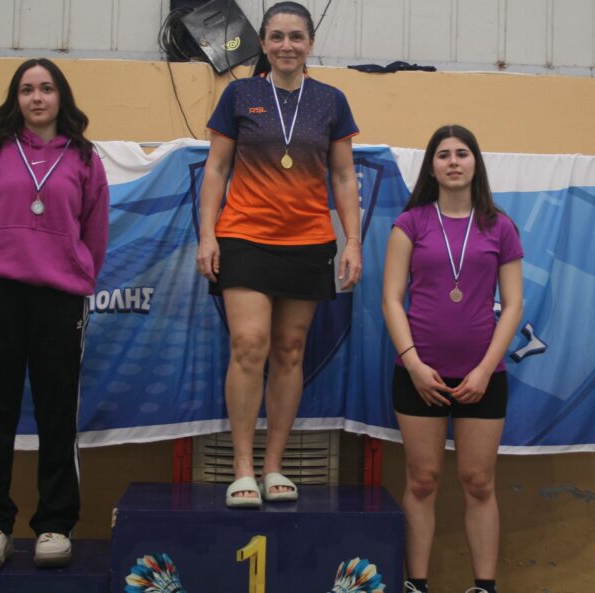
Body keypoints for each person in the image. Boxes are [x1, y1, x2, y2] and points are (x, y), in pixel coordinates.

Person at [195, 1, 362, 508]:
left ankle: (273, 465)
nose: (286, 46)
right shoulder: (239, 94)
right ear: (264, 44)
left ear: (310, 43)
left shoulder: (331, 101)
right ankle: (243, 468)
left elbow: (343, 176)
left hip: (308, 241)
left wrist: (353, 240)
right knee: (249, 344)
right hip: (244, 236)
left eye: (296, 37)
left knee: (290, 350)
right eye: (277, 37)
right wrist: (207, 236)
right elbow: (216, 169)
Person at [0, 57, 108, 568]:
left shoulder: (84, 158)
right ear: (15, 99)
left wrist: (77, 272)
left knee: (57, 412)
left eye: (46, 88)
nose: (37, 97)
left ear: (61, 97)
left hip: (60, 297)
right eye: (27, 89)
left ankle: (55, 525)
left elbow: (95, 232)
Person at [382, 125, 523, 593]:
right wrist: (414, 364)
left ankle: (484, 586)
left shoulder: (500, 226)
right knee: (422, 480)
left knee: (478, 481)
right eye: (443, 155)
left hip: (483, 377)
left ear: (475, 163)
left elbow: (513, 305)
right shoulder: (410, 223)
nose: (454, 162)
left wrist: (484, 371)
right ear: (432, 167)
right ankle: (416, 584)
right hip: (418, 375)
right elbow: (391, 299)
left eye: (462, 153)